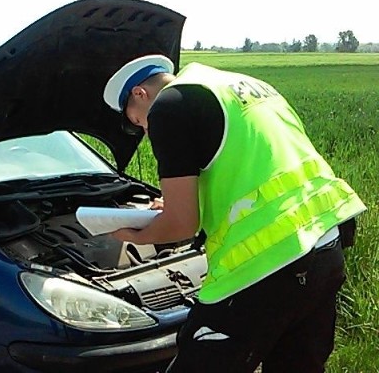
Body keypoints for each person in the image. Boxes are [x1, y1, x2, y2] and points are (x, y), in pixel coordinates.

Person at [102, 54, 366, 372]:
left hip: (266, 265)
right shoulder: (243, 85)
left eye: (137, 122)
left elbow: (181, 225)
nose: (145, 131)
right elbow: (250, 166)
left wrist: (133, 233)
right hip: (325, 243)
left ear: (139, 95)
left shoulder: (168, 106)